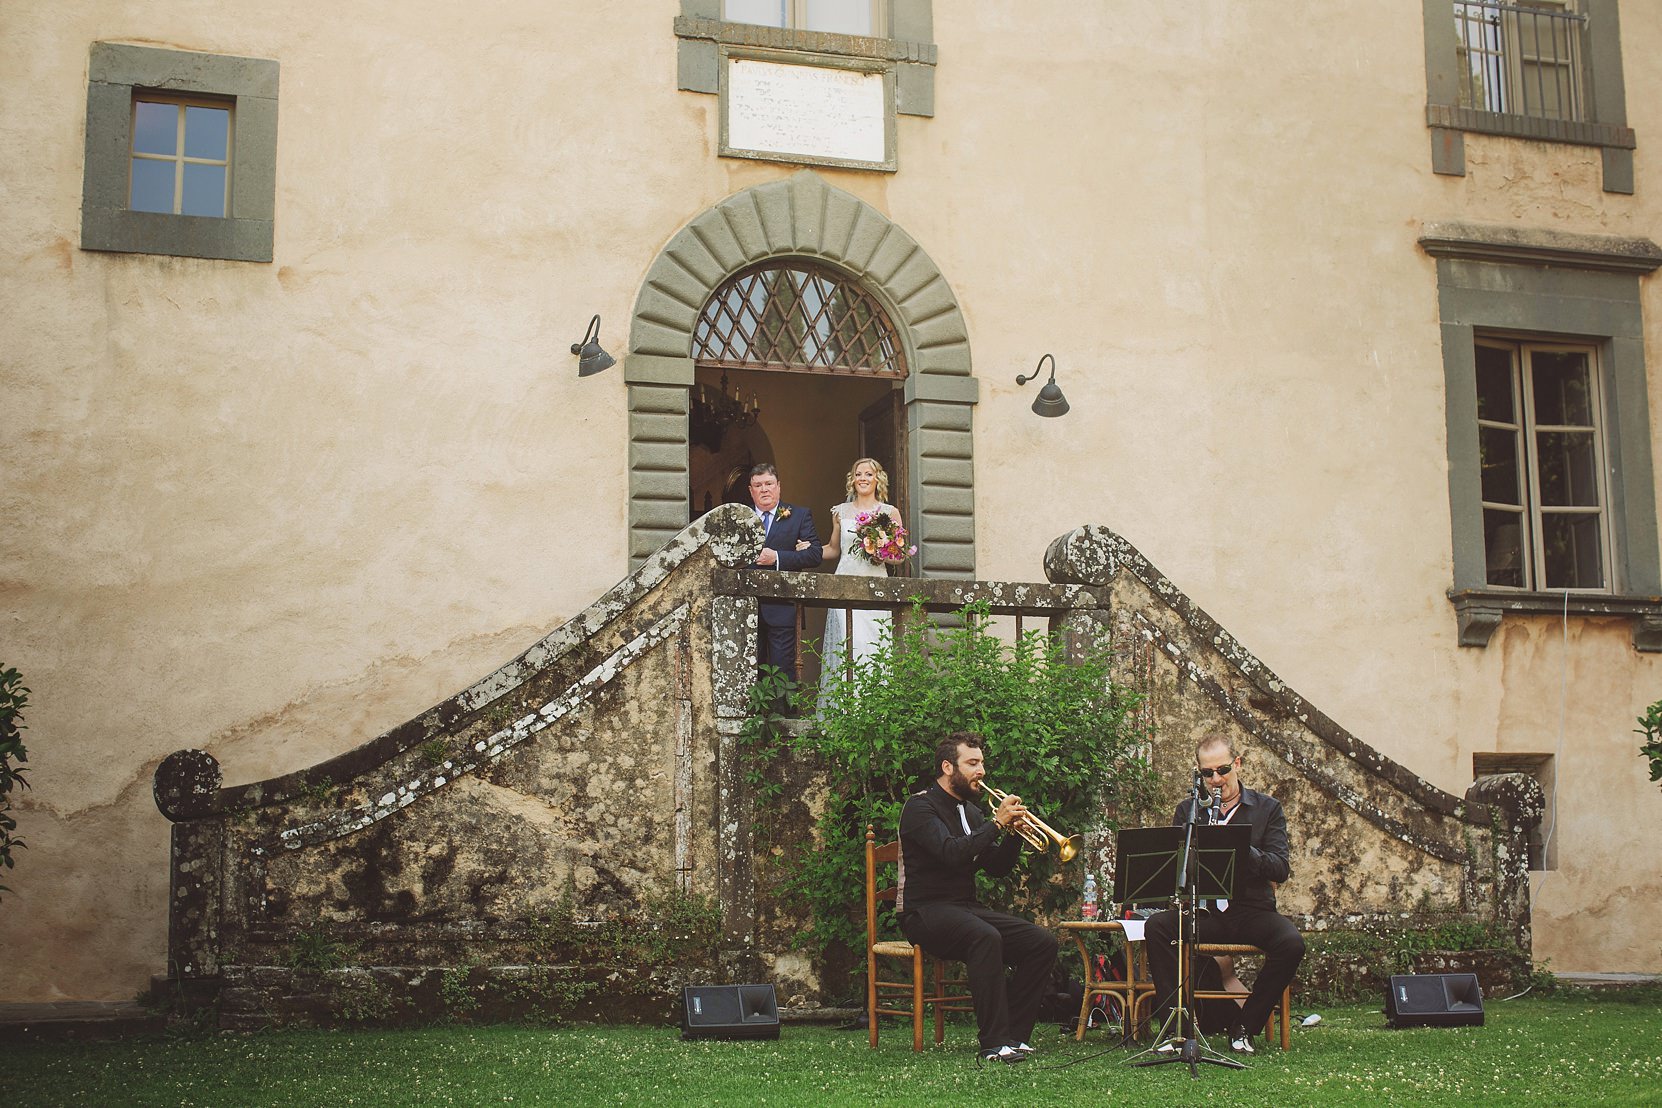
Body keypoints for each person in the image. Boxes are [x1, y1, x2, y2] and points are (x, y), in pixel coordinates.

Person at [897, 732, 1058, 1064]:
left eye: (981, 762)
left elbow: (997, 867)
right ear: (947, 767)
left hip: (965, 909)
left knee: (1041, 941)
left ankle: (1014, 1036)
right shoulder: (919, 807)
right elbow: (951, 854)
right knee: (985, 937)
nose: (981, 771)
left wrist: (1015, 832)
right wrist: (997, 824)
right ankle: (994, 1044)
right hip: (924, 912)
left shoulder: (970, 812)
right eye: (972, 763)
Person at [1143, 736, 1305, 1055]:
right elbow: (1176, 866)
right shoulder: (1189, 810)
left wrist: (1242, 849)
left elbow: (1280, 867)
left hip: (1251, 911)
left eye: (1223, 769)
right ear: (1199, 774)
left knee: (1291, 944)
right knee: (1158, 927)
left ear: (1238, 764)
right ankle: (1177, 1029)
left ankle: (1245, 1026)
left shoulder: (1267, 809)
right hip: (1207, 914)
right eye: (1208, 773)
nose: (1216, 779)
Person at [815, 458, 907, 713]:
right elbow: (834, 550)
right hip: (844, 583)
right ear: (852, 479)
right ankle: (845, 710)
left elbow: (898, 556)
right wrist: (804, 550)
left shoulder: (889, 513)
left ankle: (874, 711)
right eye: (859, 474)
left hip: (876, 585)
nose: (863, 478)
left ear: (878, 479)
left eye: (869, 474)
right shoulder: (840, 512)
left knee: (873, 645)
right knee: (849, 646)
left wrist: (882, 553)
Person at [747, 463, 821, 680]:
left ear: (778, 486)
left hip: (783, 607)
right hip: (745, 606)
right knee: (749, 673)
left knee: (783, 673)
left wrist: (778, 557)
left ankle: (784, 713)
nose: (764, 489)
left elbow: (815, 554)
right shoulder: (738, 517)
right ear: (750, 490)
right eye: (758, 485)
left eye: (769, 483)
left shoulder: (799, 515)